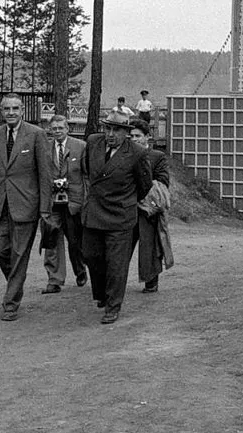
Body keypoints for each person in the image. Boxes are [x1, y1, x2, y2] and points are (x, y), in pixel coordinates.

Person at [0, 94, 52, 321]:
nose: (11, 113)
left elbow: (45, 174)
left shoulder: (36, 135)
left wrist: (45, 208)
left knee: (20, 254)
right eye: (7, 109)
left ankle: (10, 304)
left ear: (22, 111)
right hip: (0, 204)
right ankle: (16, 280)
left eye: (15, 108)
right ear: (1, 111)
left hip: (26, 205)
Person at [81, 110, 152, 324]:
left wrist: (126, 201)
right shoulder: (93, 142)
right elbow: (85, 169)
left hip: (120, 216)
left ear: (127, 132)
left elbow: (144, 185)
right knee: (91, 255)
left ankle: (113, 306)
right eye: (107, 128)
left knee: (116, 263)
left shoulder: (137, 153)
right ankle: (103, 294)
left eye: (117, 130)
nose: (110, 134)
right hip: (94, 212)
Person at [40, 115, 88, 294]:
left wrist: (85, 199)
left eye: (61, 128)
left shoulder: (80, 146)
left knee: (75, 241)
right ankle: (54, 280)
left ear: (68, 128)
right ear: (50, 130)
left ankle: (80, 270)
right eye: (54, 128)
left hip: (73, 201)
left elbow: (86, 175)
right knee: (50, 239)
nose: (58, 131)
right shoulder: (44, 147)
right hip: (52, 202)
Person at [130, 119, 173, 294]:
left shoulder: (157, 157)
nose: (134, 139)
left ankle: (151, 281)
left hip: (148, 210)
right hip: (126, 208)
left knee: (149, 247)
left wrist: (145, 195)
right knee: (120, 247)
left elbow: (163, 181)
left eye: (138, 136)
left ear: (148, 137)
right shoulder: (123, 155)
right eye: (131, 136)